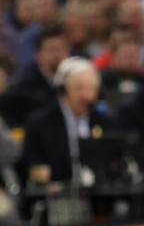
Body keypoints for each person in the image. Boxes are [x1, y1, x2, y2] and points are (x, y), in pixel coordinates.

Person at [19, 57, 117, 185]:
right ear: (63, 90)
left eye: (92, 89)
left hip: (99, 197)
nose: (86, 96)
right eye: (79, 88)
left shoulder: (106, 122)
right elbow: (32, 165)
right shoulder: (40, 124)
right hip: (59, 196)